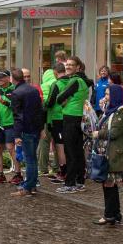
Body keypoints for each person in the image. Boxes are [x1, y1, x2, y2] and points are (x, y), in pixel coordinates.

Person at [91, 84, 123, 226]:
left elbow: (114, 132)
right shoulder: (112, 111)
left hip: (115, 154)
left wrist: (99, 134)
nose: (106, 97)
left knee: (109, 184)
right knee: (109, 184)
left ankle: (109, 215)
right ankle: (115, 214)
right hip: (108, 152)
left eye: (108, 94)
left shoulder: (122, 113)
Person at [56, 56, 90, 193]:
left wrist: (65, 99)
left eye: (71, 65)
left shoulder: (74, 80)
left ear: (78, 67)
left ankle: (70, 184)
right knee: (78, 151)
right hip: (77, 117)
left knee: (70, 152)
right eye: (67, 64)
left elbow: (59, 98)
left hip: (70, 118)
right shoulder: (82, 81)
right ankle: (80, 181)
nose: (68, 67)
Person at [10, 68, 44, 197]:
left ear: (13, 79)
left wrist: (17, 135)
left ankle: (28, 187)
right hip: (35, 128)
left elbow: (17, 116)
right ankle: (32, 184)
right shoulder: (34, 90)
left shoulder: (16, 93)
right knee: (33, 158)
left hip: (26, 129)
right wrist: (41, 128)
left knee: (29, 159)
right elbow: (40, 110)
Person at [0, 70, 21, 185]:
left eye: (2, 77)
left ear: (8, 78)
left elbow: (16, 106)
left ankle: (18, 174)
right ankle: (1, 174)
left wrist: (3, 101)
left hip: (10, 123)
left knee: (11, 148)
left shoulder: (14, 89)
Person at [44, 63, 69, 183]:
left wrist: (43, 104)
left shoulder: (56, 84)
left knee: (59, 146)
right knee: (65, 144)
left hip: (56, 117)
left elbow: (50, 102)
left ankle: (63, 172)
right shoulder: (71, 82)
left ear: (55, 72)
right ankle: (64, 170)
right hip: (68, 116)